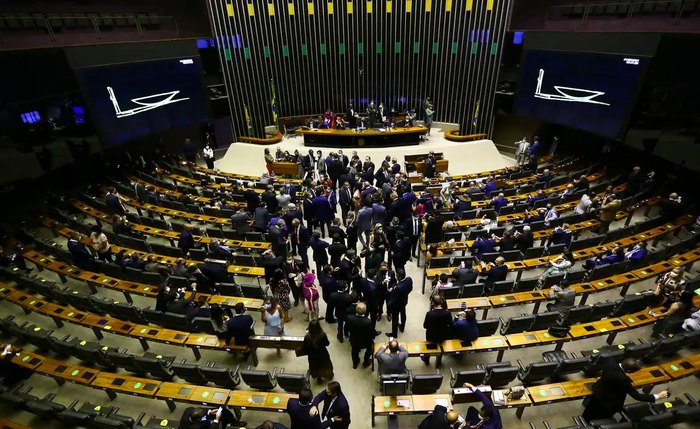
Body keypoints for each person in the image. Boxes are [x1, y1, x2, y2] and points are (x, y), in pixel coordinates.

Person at [582, 358, 669, 421]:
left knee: (590, 410)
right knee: (601, 417)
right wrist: (658, 396)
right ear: (628, 371)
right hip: (609, 401)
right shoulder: (623, 379)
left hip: (598, 391)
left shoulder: (610, 362)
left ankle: (584, 420)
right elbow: (637, 396)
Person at [421, 295, 453, 366]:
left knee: (428, 346)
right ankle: (438, 362)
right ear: (441, 303)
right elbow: (450, 324)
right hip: (443, 335)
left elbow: (425, 326)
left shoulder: (429, 314)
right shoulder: (447, 313)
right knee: (440, 347)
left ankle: (427, 360)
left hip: (431, 336)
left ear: (433, 303)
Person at [345, 302, 375, 369]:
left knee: (354, 351)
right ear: (365, 311)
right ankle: (366, 361)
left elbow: (346, 327)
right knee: (371, 347)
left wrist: (346, 334)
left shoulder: (349, 318)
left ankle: (355, 363)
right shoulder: (368, 322)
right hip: (366, 342)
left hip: (354, 340)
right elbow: (372, 333)